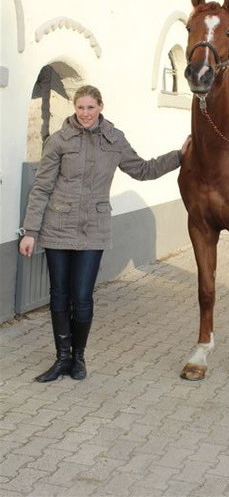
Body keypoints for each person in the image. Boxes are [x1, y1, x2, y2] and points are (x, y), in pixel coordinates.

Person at [19, 85, 190, 383]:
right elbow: (42, 187)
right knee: (59, 295)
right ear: (75, 108)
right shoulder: (58, 140)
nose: (85, 113)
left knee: (82, 296)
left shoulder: (114, 140)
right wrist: (30, 231)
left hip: (93, 229)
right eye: (80, 108)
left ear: (100, 106)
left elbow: (142, 169)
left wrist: (179, 156)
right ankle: (62, 358)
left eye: (90, 107)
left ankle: (78, 358)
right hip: (57, 226)